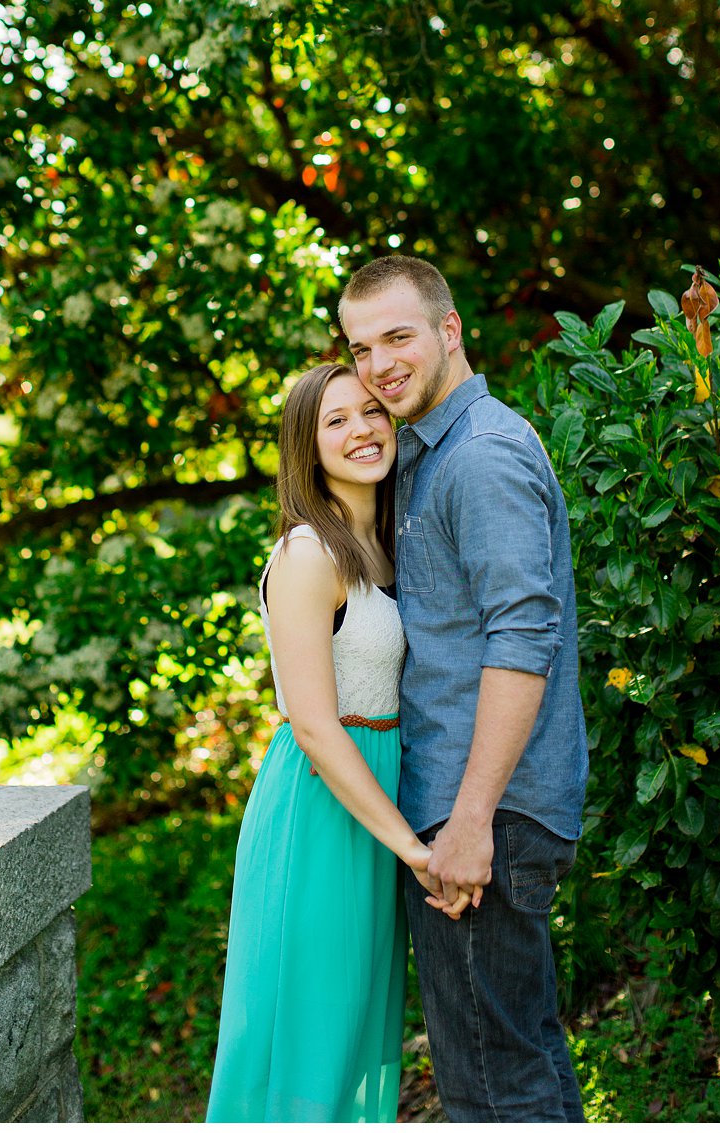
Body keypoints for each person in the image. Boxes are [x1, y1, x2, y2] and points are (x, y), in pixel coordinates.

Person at [340, 254, 589, 1121]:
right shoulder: (427, 454)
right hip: (470, 809)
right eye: (361, 347)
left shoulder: (480, 456)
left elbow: (524, 640)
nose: (378, 364)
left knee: (492, 1088)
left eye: (397, 336)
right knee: (520, 1061)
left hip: (484, 817)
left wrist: (473, 822)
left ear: (450, 331)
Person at [208, 362, 447, 1121]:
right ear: (307, 449)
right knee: (306, 1038)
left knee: (351, 1036)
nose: (361, 430)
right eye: (335, 421)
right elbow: (312, 722)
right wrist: (413, 849)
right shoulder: (310, 554)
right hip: (321, 808)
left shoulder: (380, 545)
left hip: (372, 800)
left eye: (371, 411)